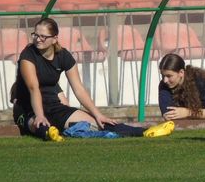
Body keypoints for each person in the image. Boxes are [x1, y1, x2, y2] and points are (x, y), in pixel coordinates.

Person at [12, 18, 174, 141]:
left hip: (54, 106)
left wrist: (97, 114)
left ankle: (147, 132)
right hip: (28, 108)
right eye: (35, 35)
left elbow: (79, 89)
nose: (38, 39)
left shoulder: (63, 56)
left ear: (54, 39)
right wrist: (40, 115)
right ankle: (50, 133)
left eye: (43, 36)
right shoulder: (28, 55)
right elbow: (33, 88)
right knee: (39, 125)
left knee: (100, 124)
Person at [158, 53, 205, 120]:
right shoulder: (163, 85)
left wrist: (188, 112)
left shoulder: (200, 80)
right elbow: (168, 114)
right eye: (163, 75)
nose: (165, 80)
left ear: (181, 73)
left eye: (169, 76)